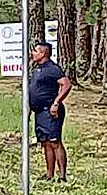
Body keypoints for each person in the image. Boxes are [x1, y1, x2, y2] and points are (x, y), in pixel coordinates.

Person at [29, 42, 73, 182]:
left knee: (55, 142)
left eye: (35, 51)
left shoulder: (52, 68)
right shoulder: (37, 69)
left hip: (51, 111)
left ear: (43, 53)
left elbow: (66, 84)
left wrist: (56, 102)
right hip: (40, 112)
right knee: (46, 143)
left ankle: (62, 176)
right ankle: (49, 174)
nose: (33, 53)